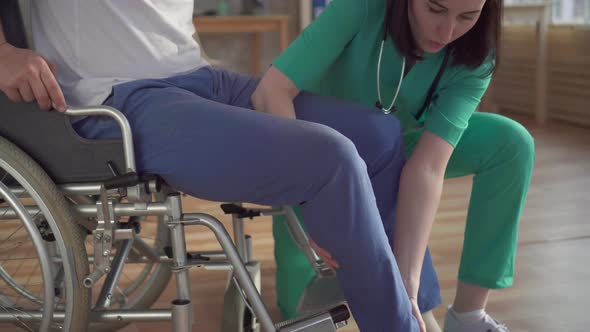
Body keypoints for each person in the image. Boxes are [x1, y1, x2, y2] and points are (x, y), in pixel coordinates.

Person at [0, 0, 440, 330]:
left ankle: (409, 300)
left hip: (201, 77)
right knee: (333, 158)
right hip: (120, 99)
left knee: (379, 136)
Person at [253, 0, 535, 331]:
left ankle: (468, 317)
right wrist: (308, 203)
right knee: (299, 312)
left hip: (396, 152)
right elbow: (270, 92)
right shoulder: (361, 8)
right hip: (312, 163)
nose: (446, 32)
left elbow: (427, 168)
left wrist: (409, 284)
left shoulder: (474, 55)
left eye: (467, 17)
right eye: (435, 9)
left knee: (511, 143)